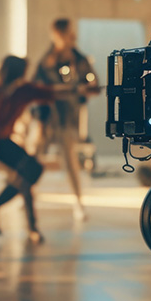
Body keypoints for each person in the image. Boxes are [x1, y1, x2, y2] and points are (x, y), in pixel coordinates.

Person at [0, 56, 91, 246]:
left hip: (2, 140)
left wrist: (77, 90)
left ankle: (7, 217)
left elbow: (51, 92)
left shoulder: (22, 90)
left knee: (31, 170)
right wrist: (8, 171)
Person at [33, 18, 99, 221]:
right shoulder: (46, 61)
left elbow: (94, 85)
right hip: (46, 119)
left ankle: (78, 203)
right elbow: (36, 88)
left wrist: (84, 89)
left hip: (68, 118)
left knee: (70, 162)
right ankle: (27, 195)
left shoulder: (79, 60)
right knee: (34, 157)